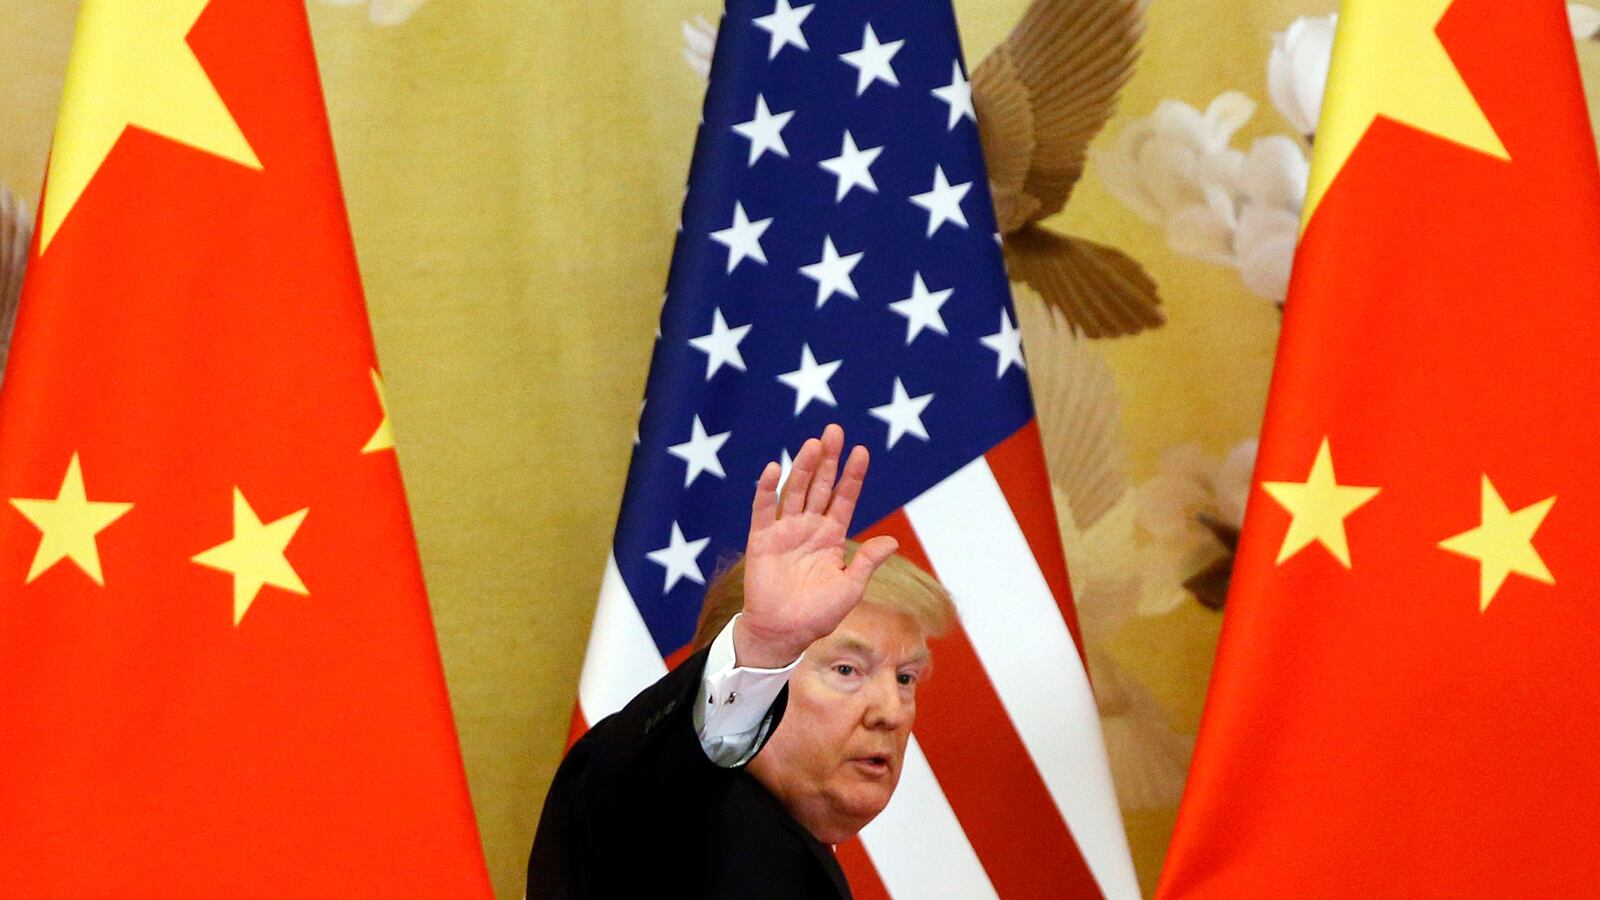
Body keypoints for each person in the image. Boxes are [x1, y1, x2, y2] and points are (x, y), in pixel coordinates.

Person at [527, 424, 956, 898]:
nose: (891, 712)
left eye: (905, 677)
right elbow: (625, 792)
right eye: (846, 670)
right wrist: (765, 647)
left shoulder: (795, 849)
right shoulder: (668, 818)